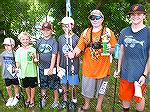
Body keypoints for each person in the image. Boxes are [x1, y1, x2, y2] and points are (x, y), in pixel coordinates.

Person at [68, 10, 117, 111]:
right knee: (86, 90)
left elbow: (115, 49)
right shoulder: (85, 32)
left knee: (101, 89)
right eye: (92, 18)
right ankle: (86, 105)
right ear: (90, 20)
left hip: (103, 68)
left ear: (102, 19)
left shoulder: (108, 32)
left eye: (97, 17)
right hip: (88, 68)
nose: (95, 20)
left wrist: (110, 49)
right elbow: (79, 48)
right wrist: (73, 53)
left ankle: (98, 107)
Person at [114, 4, 150, 112]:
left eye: (139, 14)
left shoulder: (148, 32)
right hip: (125, 71)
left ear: (144, 16)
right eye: (133, 14)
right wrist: (118, 69)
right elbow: (121, 51)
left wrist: (145, 74)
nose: (135, 16)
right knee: (125, 97)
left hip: (140, 74)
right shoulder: (124, 32)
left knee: (139, 98)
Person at [57, 17, 80, 109]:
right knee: (63, 83)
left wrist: (73, 55)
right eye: (63, 26)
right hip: (62, 66)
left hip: (73, 66)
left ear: (72, 26)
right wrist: (57, 65)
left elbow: (80, 52)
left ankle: (74, 99)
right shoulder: (60, 38)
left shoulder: (76, 38)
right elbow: (59, 53)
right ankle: (65, 99)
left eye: (67, 25)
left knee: (72, 84)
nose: (65, 27)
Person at [36, 22, 59, 109]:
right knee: (43, 85)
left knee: (54, 85)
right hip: (41, 67)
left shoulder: (54, 41)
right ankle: (44, 98)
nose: (46, 32)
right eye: (44, 30)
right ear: (41, 31)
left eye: (48, 30)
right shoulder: (39, 41)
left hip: (51, 68)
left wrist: (51, 68)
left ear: (51, 31)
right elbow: (37, 53)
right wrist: (36, 59)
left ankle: (56, 100)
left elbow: (54, 56)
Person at [15, 32, 38, 107]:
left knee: (32, 86)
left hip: (32, 72)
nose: (25, 41)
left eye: (27, 39)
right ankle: (28, 97)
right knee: (26, 86)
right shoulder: (18, 50)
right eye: (23, 39)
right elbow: (17, 61)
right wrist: (17, 68)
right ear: (20, 40)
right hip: (24, 72)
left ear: (29, 40)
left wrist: (35, 59)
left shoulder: (33, 49)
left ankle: (32, 99)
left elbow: (35, 61)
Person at [0, 38, 20, 107]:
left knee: (15, 86)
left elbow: (18, 63)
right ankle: (10, 97)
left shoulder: (15, 54)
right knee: (8, 87)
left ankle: (17, 96)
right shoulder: (2, 54)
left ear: (13, 45)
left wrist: (17, 68)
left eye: (8, 45)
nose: (6, 47)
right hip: (6, 74)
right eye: (5, 45)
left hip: (13, 74)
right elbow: (1, 63)